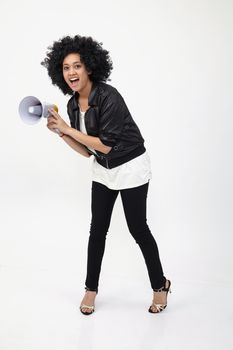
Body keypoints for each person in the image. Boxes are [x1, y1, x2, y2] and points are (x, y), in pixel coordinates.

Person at [41, 35, 171, 315]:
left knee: (138, 228)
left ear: (89, 67)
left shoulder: (109, 97)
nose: (71, 73)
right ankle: (90, 289)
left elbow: (106, 144)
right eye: (65, 67)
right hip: (103, 169)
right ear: (59, 72)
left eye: (77, 66)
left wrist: (67, 127)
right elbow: (88, 151)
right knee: (97, 229)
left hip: (131, 165)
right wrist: (60, 132)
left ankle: (160, 286)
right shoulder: (73, 105)